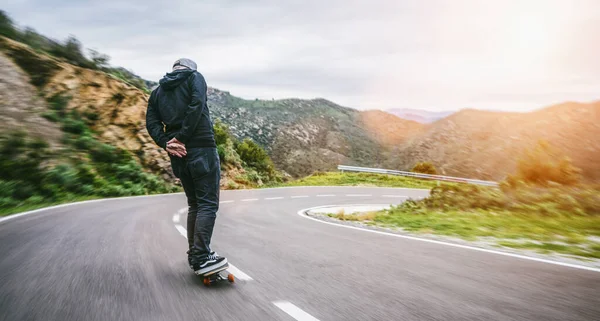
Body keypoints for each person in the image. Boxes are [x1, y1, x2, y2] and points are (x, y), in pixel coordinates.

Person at [146, 58, 226, 275]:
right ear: (191, 69)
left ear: (174, 70)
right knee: (208, 204)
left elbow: (151, 123)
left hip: (178, 155)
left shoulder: (157, 93)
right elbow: (197, 105)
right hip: (202, 149)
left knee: (194, 205)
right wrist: (182, 137)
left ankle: (195, 254)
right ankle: (201, 256)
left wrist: (167, 142)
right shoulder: (194, 78)